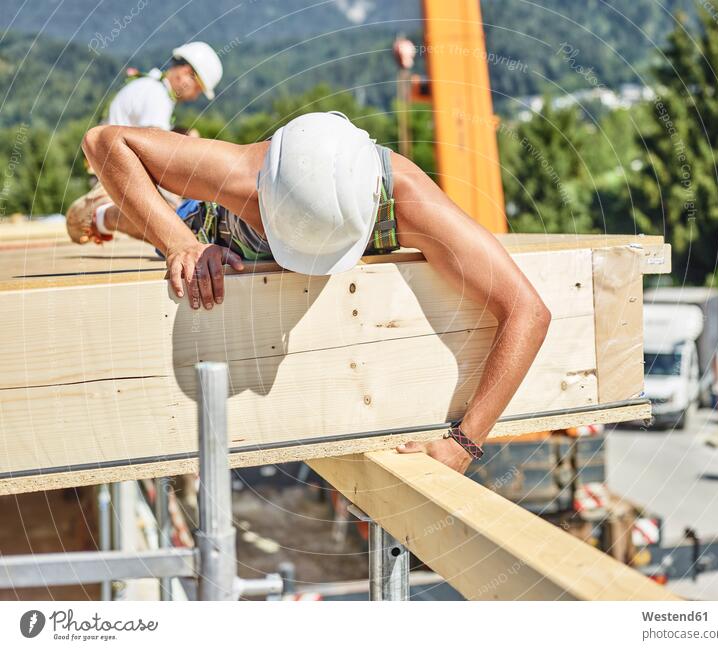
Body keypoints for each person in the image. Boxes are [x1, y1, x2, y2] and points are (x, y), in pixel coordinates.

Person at [80, 111, 552, 474]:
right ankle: (104, 214)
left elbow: (527, 311)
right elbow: (103, 142)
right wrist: (178, 243)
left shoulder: (408, 200)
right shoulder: (241, 173)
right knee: (163, 219)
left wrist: (466, 442)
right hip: (215, 232)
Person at [67, 42, 222, 244]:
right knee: (176, 225)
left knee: (189, 137)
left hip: (116, 174)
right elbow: (155, 154)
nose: (195, 97)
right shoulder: (155, 95)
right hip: (117, 180)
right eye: (198, 89)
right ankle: (98, 214)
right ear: (185, 73)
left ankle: (102, 213)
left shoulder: (151, 88)